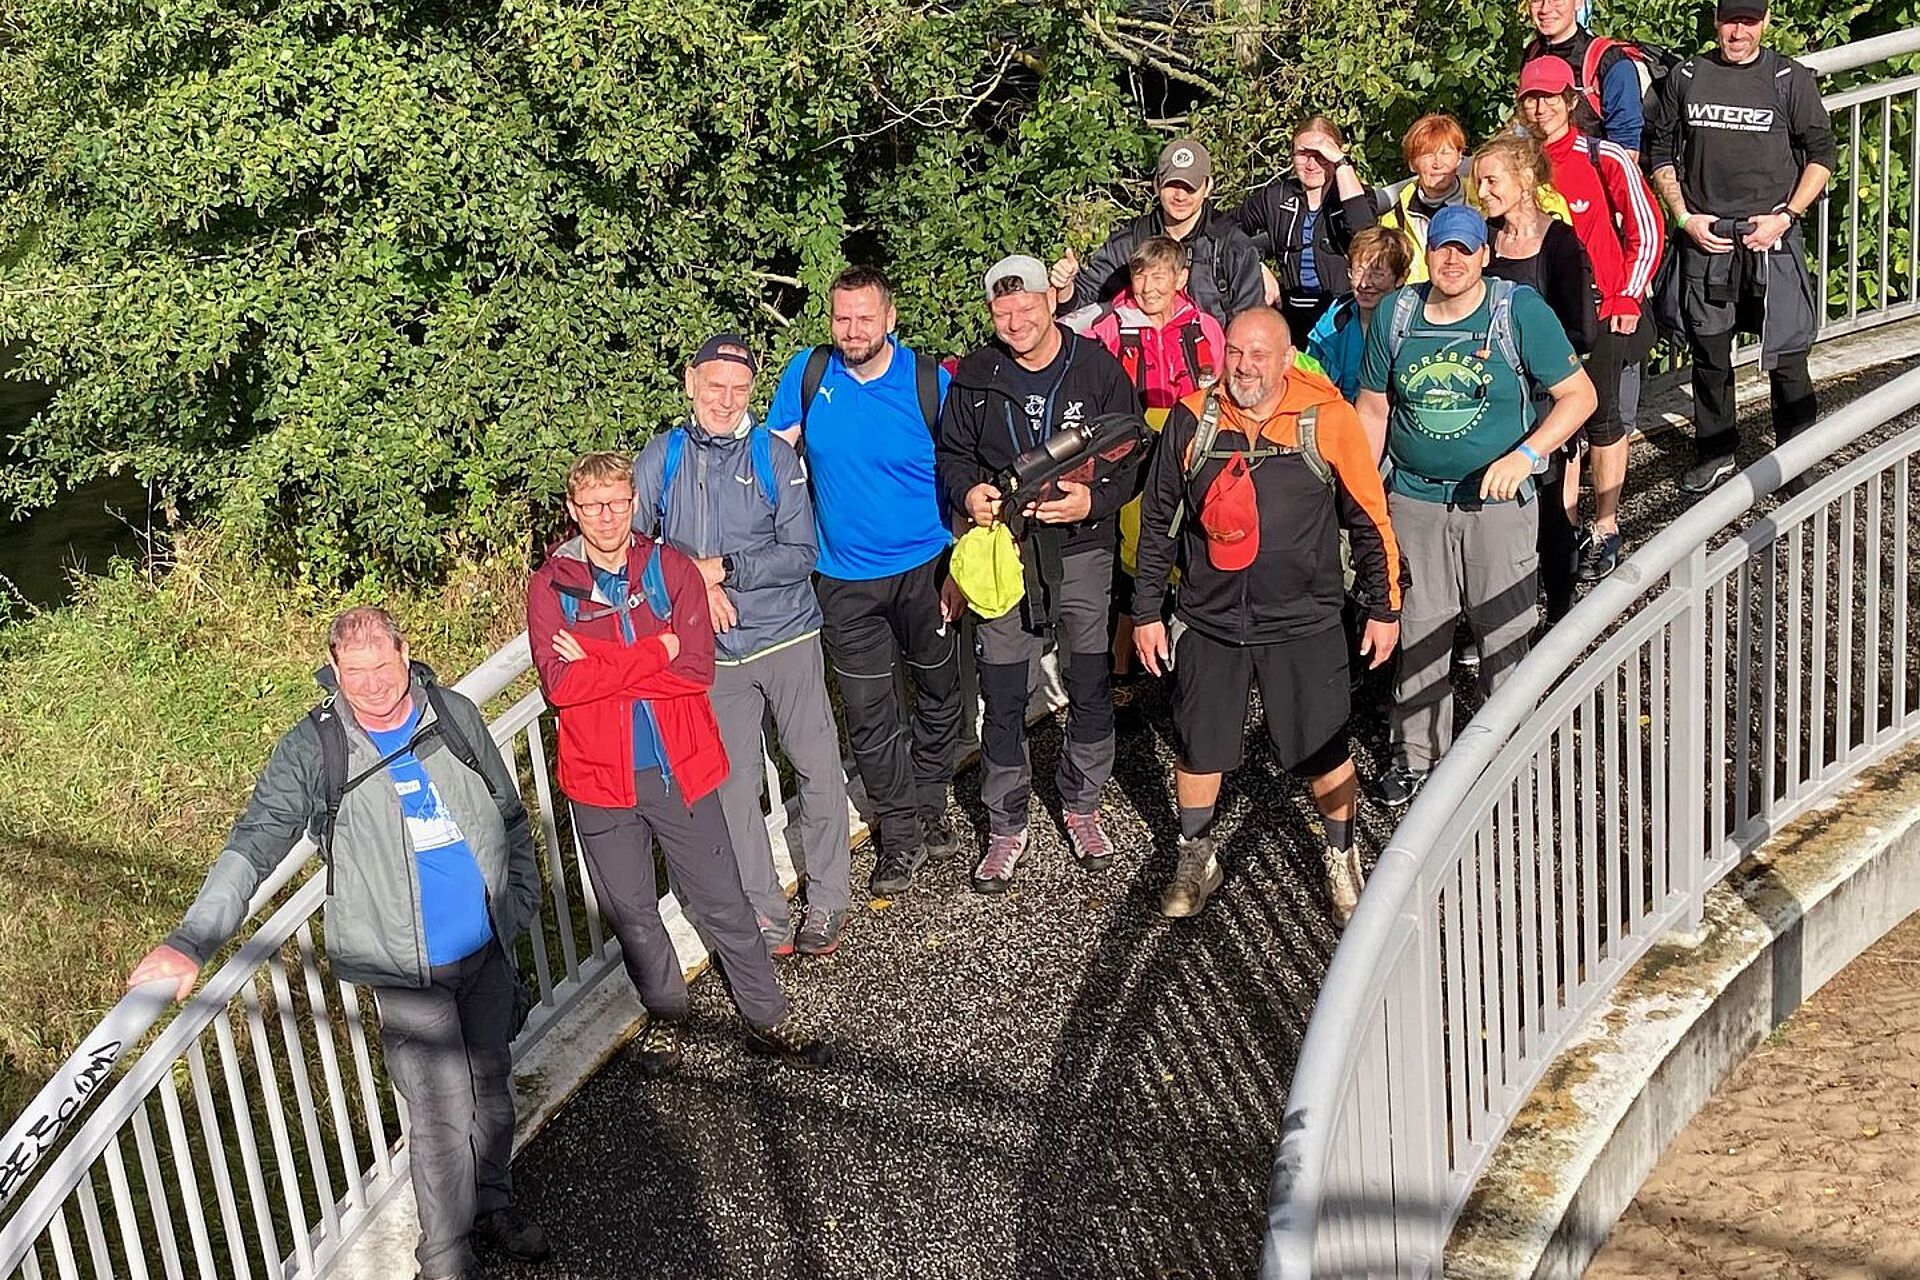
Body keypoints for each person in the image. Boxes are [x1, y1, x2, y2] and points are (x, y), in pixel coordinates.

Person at [127, 607, 550, 1280]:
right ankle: (445, 1259)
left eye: (384, 665)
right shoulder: (315, 747)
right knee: (440, 1116)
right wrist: (190, 940)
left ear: (406, 652)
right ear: (335, 670)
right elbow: (256, 842)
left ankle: (491, 1205)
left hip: (485, 944)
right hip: (403, 964)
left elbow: (506, 811)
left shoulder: (454, 714)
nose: (376, 684)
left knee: (492, 1087)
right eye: (356, 673)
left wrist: (517, 902)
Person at [527, 451, 829, 1074]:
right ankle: (670, 1017)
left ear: (634, 503)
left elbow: (693, 670)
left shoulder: (670, 568)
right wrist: (652, 649)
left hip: (678, 767)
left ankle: (767, 1018)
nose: (606, 516)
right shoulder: (551, 586)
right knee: (633, 912)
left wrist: (599, 660)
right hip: (601, 783)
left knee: (722, 901)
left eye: (617, 502)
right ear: (572, 510)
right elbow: (561, 687)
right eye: (592, 506)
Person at [1131, 307, 1404, 926]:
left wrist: (1384, 607)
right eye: (1234, 352)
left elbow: (1369, 519)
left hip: (1304, 620)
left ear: (1287, 360)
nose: (1244, 367)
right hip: (1210, 620)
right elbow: (1158, 523)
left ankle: (1341, 855)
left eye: (1259, 355)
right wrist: (1147, 610)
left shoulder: (1327, 420)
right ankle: (1196, 853)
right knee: (1199, 748)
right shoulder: (1191, 420)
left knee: (1323, 745)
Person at [1356, 207, 1597, 807]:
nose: (1453, 260)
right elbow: (1373, 409)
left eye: (1465, 250)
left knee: (1504, 628)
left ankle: (1509, 754)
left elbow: (1579, 396)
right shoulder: (1396, 314)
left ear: (1485, 255)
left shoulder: (1517, 312)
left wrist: (1529, 456)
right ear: (1427, 254)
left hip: (1499, 504)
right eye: (1443, 249)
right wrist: (1361, 495)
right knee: (1419, 628)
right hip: (1415, 499)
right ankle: (1416, 757)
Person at [632, 334, 854, 957]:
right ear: (690, 382)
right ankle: (766, 911)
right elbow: (635, 549)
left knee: (814, 766)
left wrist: (722, 569)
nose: (725, 401)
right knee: (733, 787)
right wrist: (690, 587)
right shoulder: (663, 457)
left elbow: (801, 551)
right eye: (714, 386)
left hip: (785, 636)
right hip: (714, 655)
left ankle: (829, 899)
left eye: (738, 389)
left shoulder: (772, 458)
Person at [938, 255, 1145, 891]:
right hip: (1006, 553)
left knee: (1088, 684)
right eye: (1002, 311)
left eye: (1026, 306)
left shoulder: (1096, 367)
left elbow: (1132, 451)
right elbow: (952, 455)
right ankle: (1006, 824)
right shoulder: (977, 374)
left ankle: (1081, 803)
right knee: (1003, 695)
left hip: (1083, 550)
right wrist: (968, 495)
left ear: (1050, 302)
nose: (1016, 319)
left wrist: (1096, 499)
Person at [764, 267, 964, 901]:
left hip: (928, 568)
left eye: (864, 319)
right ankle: (900, 836)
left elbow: (964, 473)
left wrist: (960, 562)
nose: (851, 331)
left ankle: (928, 803)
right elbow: (771, 464)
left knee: (939, 698)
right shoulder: (809, 373)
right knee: (872, 717)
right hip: (845, 580)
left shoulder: (931, 381)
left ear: (890, 318)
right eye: (841, 319)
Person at [1646, 0, 1834, 495]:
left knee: (1789, 352)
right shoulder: (1687, 76)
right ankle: (1716, 450)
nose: (1738, 32)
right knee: (1709, 353)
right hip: (1708, 238)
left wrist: (1786, 216)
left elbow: (1821, 155)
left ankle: (1798, 455)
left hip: (1772, 237)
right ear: (1716, 22)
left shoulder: (1789, 79)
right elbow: (1660, 151)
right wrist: (1684, 218)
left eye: (1749, 22)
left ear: (1766, 22)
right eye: (1731, 21)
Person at [1518, 58, 1666, 582]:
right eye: (1530, 99)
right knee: (1554, 426)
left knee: (1603, 421)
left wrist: (1627, 295)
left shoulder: (1603, 156)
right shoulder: (1516, 164)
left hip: (1603, 308)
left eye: (1550, 97)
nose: (1540, 109)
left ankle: (1605, 526)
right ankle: (1565, 528)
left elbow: (1647, 230)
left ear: (1571, 101)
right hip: (1543, 313)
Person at [1064, 235, 1225, 709]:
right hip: (1127, 453)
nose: (1149, 286)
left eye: (1160, 275)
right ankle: (1122, 673)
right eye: (1140, 275)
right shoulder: (1108, 326)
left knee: (1193, 550)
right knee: (1130, 561)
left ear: (1180, 279)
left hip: (1191, 449)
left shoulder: (1205, 327)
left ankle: (1190, 667)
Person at [1476, 128, 1596, 624]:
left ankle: (1560, 613)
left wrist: (1525, 356)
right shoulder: (1482, 239)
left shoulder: (1561, 245)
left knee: (1548, 512)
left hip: (1543, 398)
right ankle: (1494, 614)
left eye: (1490, 181)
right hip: (1488, 394)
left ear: (1525, 180)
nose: (1481, 193)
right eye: (1479, 184)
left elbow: (1582, 332)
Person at [1050, 137, 1265, 328]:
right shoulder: (1129, 242)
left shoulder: (1233, 246)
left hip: (1210, 365)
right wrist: (1065, 287)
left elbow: (1249, 324)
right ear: (1156, 184)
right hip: (1141, 363)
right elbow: (1080, 307)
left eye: (1190, 187)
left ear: (1208, 187)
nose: (1180, 196)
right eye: (1172, 185)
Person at [1227, 115, 1381, 346]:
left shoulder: (1353, 194)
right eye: (1303, 154)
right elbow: (1224, 228)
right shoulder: (1276, 197)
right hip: (1291, 314)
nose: (1311, 165)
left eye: (1321, 156)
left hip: (1343, 312)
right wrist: (1256, 264)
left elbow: (1366, 235)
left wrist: (1341, 164)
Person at [1520, 0, 1653, 156]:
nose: (1545, 9)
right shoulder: (1531, 54)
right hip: (1541, 169)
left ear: (1578, 3)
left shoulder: (1609, 61)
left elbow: (1626, 150)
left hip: (1593, 173)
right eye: (1536, 0)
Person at [1305, 225, 1417, 403]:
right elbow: (1308, 378)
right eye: (1358, 272)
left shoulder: (1416, 325)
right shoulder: (1334, 320)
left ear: (1402, 277)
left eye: (1377, 274)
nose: (1364, 284)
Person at [1379, 113, 1470, 285]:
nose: (1437, 164)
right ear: (1412, 164)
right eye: (1427, 155)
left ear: (1459, 157)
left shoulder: (1483, 204)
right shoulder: (1393, 222)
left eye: (1445, 153)